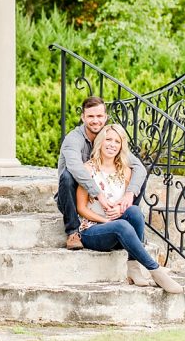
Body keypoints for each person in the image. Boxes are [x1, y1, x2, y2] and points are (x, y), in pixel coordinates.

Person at [76, 123, 183, 294]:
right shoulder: (88, 169)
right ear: (100, 142)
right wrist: (105, 220)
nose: (112, 145)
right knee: (122, 225)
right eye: (108, 140)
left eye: (117, 141)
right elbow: (81, 208)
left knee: (134, 211)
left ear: (121, 146)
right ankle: (156, 271)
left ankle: (133, 268)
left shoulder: (124, 171)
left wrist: (119, 210)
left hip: (117, 227)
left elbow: (124, 203)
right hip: (92, 230)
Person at [56, 97, 145, 250]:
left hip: (103, 200)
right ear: (83, 117)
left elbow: (140, 167)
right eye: (90, 116)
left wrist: (129, 194)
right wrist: (98, 194)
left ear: (105, 117)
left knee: (138, 177)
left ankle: (127, 218)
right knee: (68, 175)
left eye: (99, 116)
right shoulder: (73, 139)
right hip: (73, 198)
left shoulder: (107, 138)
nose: (95, 121)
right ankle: (73, 232)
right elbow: (76, 168)